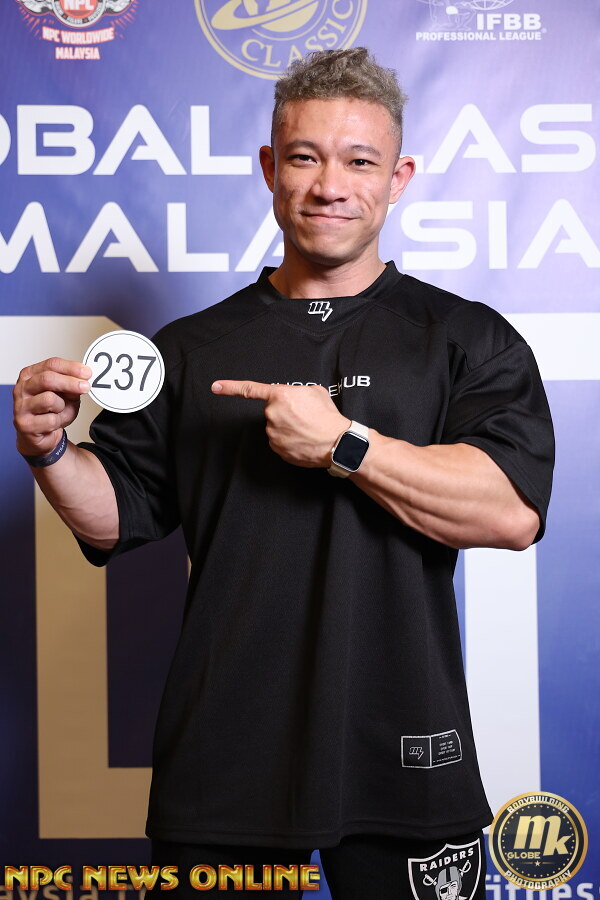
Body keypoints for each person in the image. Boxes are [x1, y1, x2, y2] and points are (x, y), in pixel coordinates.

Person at [12, 48, 554, 898]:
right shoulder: (190, 348)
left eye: (360, 162)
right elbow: (113, 516)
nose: (330, 185)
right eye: (305, 157)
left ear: (399, 178)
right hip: (225, 757)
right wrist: (48, 451)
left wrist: (345, 444)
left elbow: (511, 512)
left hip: (405, 751)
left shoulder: (465, 338)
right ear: (270, 167)